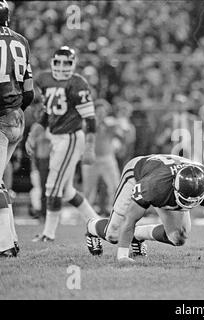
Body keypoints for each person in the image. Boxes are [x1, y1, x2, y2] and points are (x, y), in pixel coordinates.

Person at [84, 154, 204, 263]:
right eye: (184, 200)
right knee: (114, 235)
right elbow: (130, 219)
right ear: (175, 188)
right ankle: (92, 226)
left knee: (178, 238)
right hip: (137, 173)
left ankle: (137, 236)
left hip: (169, 179)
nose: (187, 206)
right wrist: (123, 257)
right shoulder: (154, 186)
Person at [26, 46, 100, 242]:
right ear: (52, 62)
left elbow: (91, 119)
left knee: (52, 186)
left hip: (71, 137)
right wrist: (33, 135)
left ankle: (48, 234)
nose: (61, 66)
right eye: (58, 62)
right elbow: (47, 115)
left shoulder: (78, 83)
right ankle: (96, 222)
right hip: (56, 136)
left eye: (66, 62)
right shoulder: (43, 79)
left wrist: (90, 148)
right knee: (66, 191)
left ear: (73, 64)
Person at [0, 0, 35, 257]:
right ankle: (10, 240)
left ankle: (4, 245)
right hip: (18, 117)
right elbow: (29, 91)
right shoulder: (21, 40)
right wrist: (17, 111)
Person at [81, 99, 121, 216]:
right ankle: (87, 215)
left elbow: (121, 134)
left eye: (103, 111)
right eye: (99, 111)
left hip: (107, 158)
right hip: (91, 160)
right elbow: (85, 132)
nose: (101, 114)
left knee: (115, 186)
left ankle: (116, 212)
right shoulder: (88, 122)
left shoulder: (111, 123)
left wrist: (115, 127)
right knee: (88, 190)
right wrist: (98, 123)